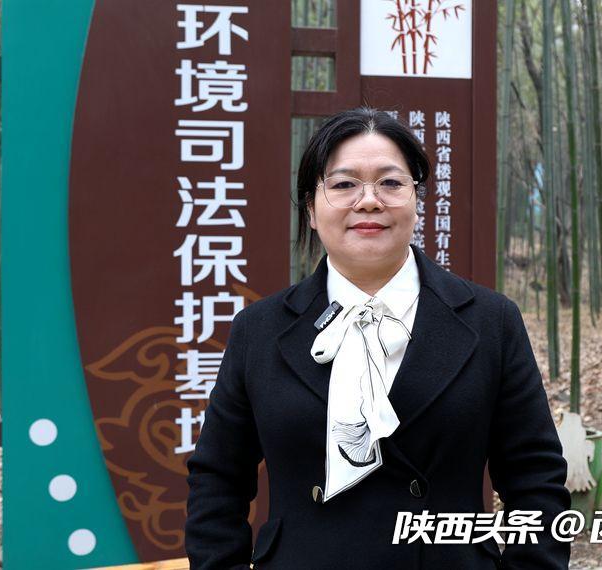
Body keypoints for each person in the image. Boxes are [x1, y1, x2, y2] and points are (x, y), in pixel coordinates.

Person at [184, 107, 571, 569]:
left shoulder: (491, 321)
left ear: (416, 200)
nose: (368, 201)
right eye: (343, 184)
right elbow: (217, 480)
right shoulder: (260, 329)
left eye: (390, 183)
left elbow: (536, 480)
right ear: (311, 208)